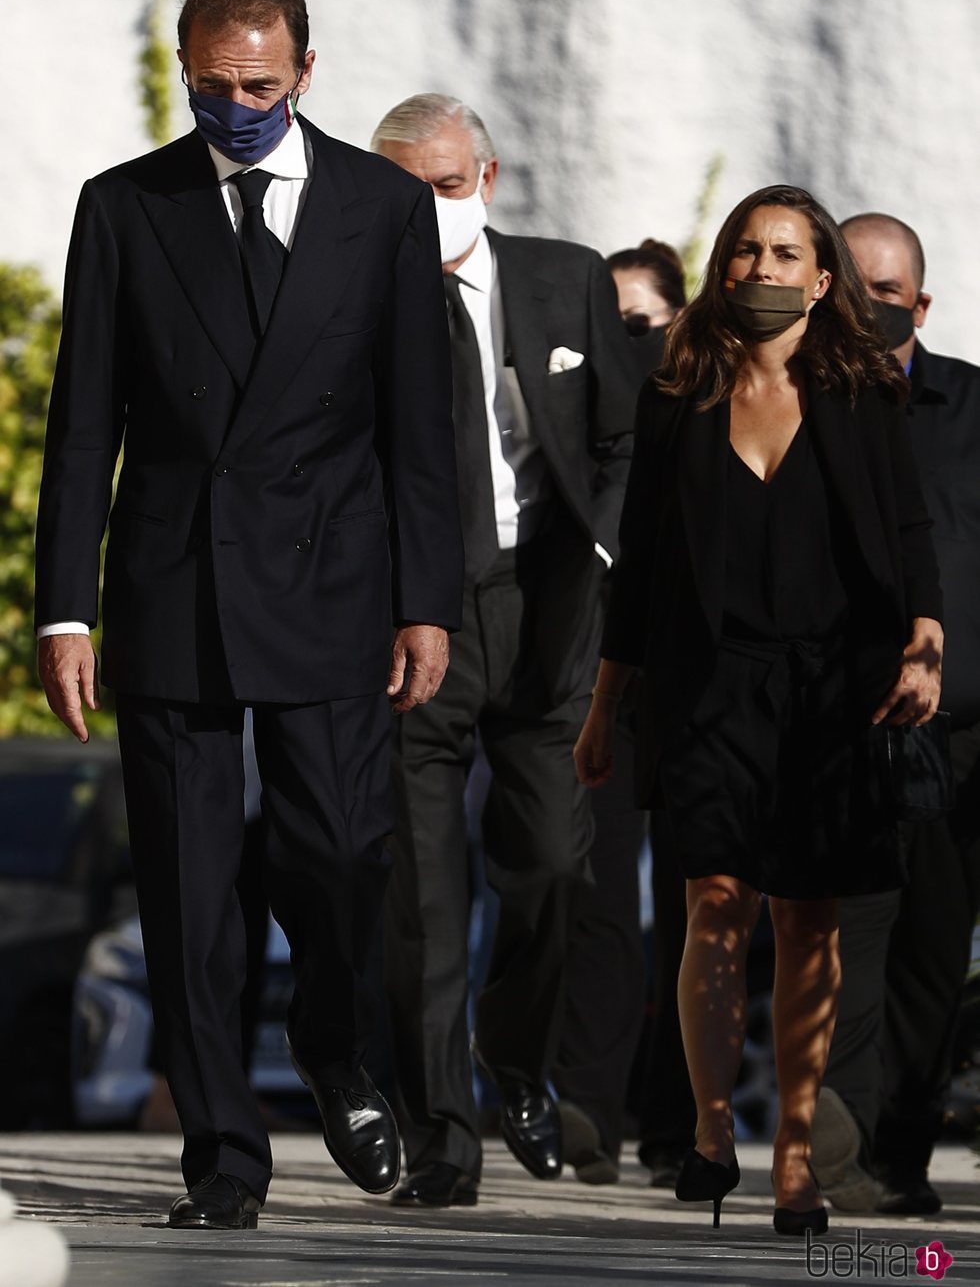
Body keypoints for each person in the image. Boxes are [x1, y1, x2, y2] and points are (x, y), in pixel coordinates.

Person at [34, 0, 463, 1229]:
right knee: (185, 891)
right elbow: (81, 425)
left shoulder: (382, 207)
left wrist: (423, 598)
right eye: (214, 87)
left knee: (340, 857)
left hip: (332, 583)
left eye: (260, 86)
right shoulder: (126, 207)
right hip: (173, 589)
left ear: (307, 73)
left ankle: (335, 1051)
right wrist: (67, 609)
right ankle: (223, 1155)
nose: (237, 106)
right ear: (186, 74)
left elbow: (415, 426)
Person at [574, 184, 943, 1236]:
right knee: (714, 904)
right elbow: (638, 568)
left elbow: (909, 536)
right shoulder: (674, 394)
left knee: (810, 921)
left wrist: (923, 646)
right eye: (744, 250)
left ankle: (792, 1155)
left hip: (835, 690)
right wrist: (604, 711)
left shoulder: (864, 391)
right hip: (708, 686)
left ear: (822, 280)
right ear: (723, 268)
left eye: (785, 253)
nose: (761, 268)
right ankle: (705, 1127)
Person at [371, 93, 637, 1208]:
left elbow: (619, 438)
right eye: (397, 194)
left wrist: (615, 564)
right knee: (422, 896)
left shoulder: (561, 275)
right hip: (410, 619)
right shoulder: (348, 295)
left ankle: (512, 1060)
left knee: (545, 864)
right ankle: (442, 1138)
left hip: (545, 604)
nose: (420, 212)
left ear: (486, 176)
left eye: (438, 187)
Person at [811, 212, 980, 1217]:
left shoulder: (969, 408)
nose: (869, 308)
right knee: (837, 947)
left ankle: (899, 1162)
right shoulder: (792, 408)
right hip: (833, 730)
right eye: (852, 289)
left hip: (957, 740)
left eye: (888, 294)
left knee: (929, 948)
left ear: (918, 305)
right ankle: (835, 1154)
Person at [553, 240, 690, 1186]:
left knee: (698, 901)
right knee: (596, 896)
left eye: (639, 325)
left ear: (677, 322)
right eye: (611, 329)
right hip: (596, 673)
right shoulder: (583, 419)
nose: (625, 345)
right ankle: (588, 1114)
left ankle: (682, 1126)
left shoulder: (715, 407)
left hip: (692, 678)